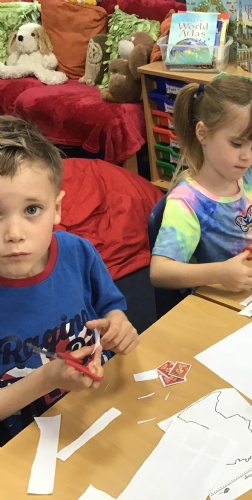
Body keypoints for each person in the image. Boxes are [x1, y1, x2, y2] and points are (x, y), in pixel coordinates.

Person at [0, 116, 139, 445]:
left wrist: (119, 325)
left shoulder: (77, 252)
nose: (15, 234)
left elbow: (111, 307)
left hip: (96, 407)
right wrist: (46, 379)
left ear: (57, 208)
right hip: (27, 442)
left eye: (32, 209)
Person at [150, 75, 252, 293]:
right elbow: (159, 271)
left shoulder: (249, 173)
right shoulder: (187, 201)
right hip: (221, 296)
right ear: (203, 134)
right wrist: (220, 273)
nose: (247, 156)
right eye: (236, 144)